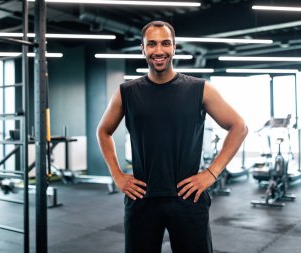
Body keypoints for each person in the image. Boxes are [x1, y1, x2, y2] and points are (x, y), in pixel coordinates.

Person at [97, 20, 248, 253]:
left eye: (165, 44)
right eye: (152, 44)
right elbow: (103, 131)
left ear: (174, 48)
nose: (159, 51)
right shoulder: (126, 92)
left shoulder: (200, 89)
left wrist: (211, 173)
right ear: (143, 49)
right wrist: (117, 175)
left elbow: (239, 126)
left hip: (188, 196)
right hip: (142, 198)